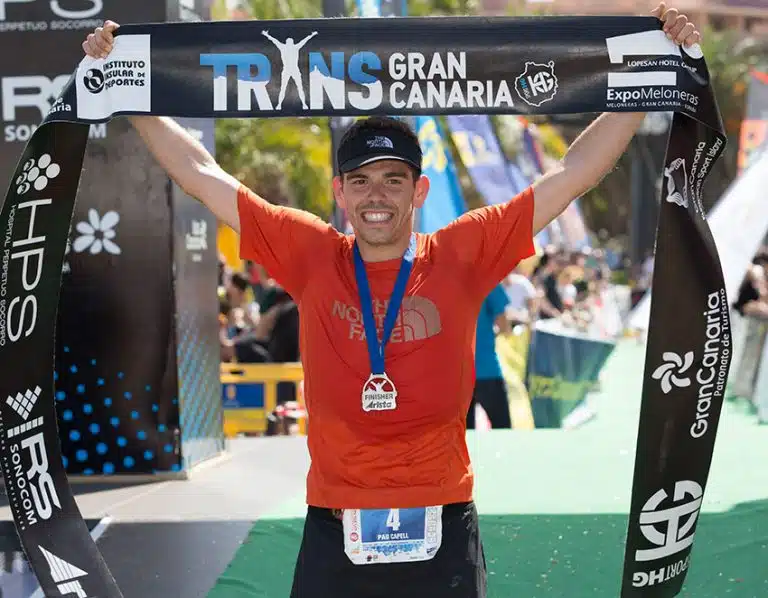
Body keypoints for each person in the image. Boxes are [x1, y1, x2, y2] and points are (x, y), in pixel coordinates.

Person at [82, 5, 701, 596]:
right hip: (335, 521)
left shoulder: (462, 252)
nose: (376, 196)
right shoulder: (309, 252)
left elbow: (571, 174)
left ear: (418, 190)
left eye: (392, 180)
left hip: (443, 517)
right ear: (340, 192)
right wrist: (128, 89)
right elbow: (202, 174)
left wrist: (645, 76)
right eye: (361, 181)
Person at [467, 285, 513, 430]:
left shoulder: (445, 281)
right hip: (485, 370)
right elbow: (504, 326)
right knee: (503, 430)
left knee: (462, 436)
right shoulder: (488, 280)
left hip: (456, 375)